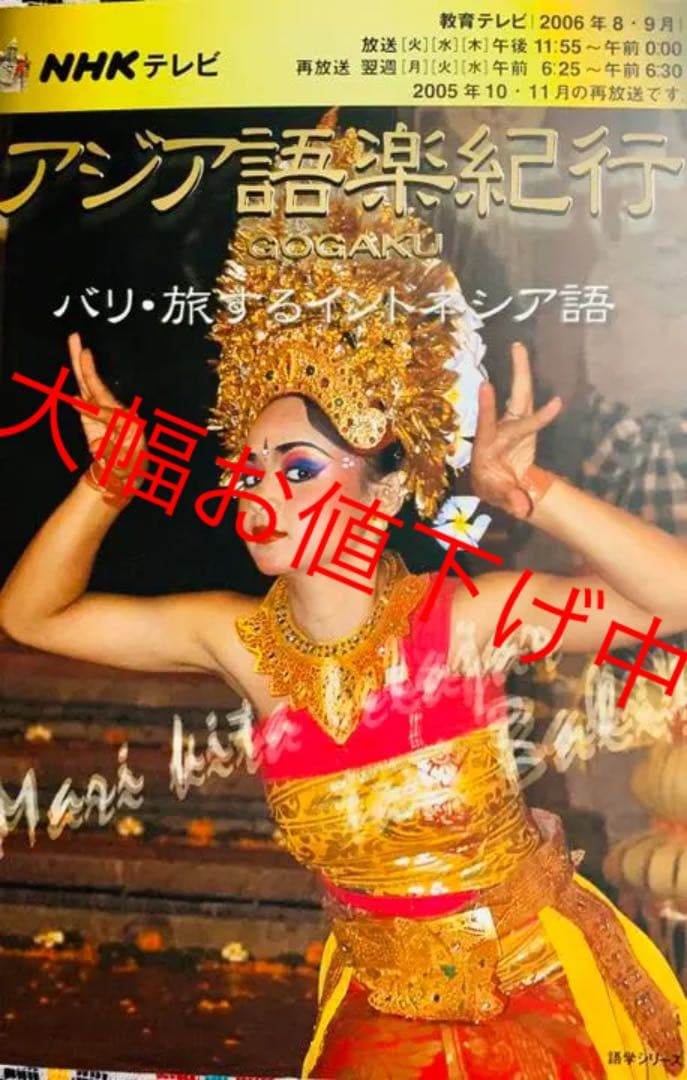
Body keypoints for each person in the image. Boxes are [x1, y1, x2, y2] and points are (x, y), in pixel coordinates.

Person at [2, 112, 687, 1080]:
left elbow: (675, 600)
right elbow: (31, 617)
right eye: (247, 469)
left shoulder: (465, 619)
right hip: (383, 1014)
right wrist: (103, 489)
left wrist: (540, 493)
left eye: (297, 468)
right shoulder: (237, 639)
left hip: (539, 997)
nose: (260, 490)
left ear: (387, 491)